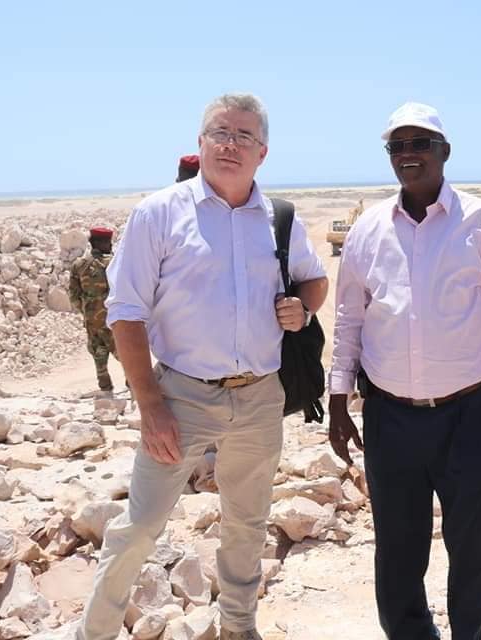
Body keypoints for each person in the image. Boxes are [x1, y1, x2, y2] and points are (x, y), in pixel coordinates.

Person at [79, 93, 328, 640]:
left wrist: (303, 308)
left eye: (244, 136)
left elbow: (314, 278)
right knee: (140, 526)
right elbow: (125, 312)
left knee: (247, 523)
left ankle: (238, 627)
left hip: (260, 397)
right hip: (181, 397)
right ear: (200, 142)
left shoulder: (280, 218)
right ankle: (93, 633)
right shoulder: (159, 213)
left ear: (263, 152)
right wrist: (150, 406)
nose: (230, 144)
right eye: (220, 132)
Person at [327, 102, 481, 640]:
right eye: (397, 146)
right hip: (389, 417)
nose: (408, 154)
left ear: (445, 152)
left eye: (420, 143)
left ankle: (470, 634)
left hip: (471, 415)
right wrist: (338, 398)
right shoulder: (368, 229)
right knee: (398, 547)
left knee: (471, 543)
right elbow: (350, 318)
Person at [68, 227, 119, 391]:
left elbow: (74, 296)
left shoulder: (79, 265)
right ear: (101, 243)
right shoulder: (115, 262)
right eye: (108, 242)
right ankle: (132, 384)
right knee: (124, 351)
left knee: (98, 352)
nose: (110, 246)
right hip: (114, 318)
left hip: (92, 320)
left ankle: (105, 386)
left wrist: (87, 311)